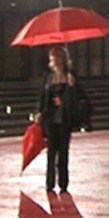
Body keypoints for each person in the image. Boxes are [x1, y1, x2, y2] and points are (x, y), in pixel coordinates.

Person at [33, 45, 87, 193]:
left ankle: (63, 182)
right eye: (53, 56)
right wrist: (38, 111)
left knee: (63, 150)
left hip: (64, 116)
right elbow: (42, 96)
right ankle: (49, 181)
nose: (55, 59)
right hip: (50, 116)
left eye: (58, 56)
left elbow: (80, 96)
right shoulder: (47, 76)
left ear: (64, 58)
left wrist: (73, 86)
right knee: (51, 150)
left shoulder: (71, 75)